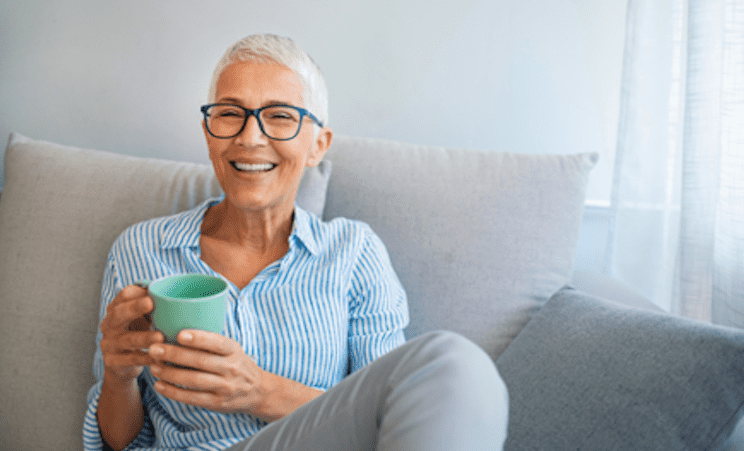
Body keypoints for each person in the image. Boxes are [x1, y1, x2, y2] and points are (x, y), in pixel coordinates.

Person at [83, 34, 508, 451]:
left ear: (317, 145)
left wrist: (259, 391)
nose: (250, 138)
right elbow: (121, 442)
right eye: (230, 113)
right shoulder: (140, 250)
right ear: (209, 133)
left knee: (454, 364)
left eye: (280, 116)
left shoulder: (353, 253)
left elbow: (386, 413)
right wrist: (119, 377)